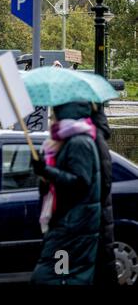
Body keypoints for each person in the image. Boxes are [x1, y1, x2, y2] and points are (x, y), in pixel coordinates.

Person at [31, 102, 101, 285]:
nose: (52, 118)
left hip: (73, 227)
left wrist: (46, 171)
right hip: (68, 223)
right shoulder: (65, 141)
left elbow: (79, 183)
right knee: (62, 277)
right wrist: (44, 175)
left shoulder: (79, 142)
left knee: (55, 277)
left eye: (55, 114)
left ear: (66, 114)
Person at [91, 103, 118, 285]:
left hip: (92, 230)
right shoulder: (93, 137)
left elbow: (100, 184)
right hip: (94, 229)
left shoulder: (90, 140)